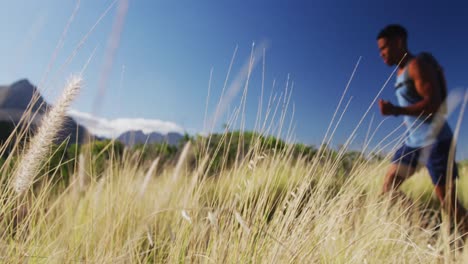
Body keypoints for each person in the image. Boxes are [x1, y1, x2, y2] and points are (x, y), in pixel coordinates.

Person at [376, 24, 465, 222]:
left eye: (384, 48)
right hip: (413, 143)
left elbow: (434, 104)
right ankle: (424, 225)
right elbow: (416, 106)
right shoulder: (399, 74)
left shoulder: (416, 66)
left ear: (399, 42)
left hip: (436, 142)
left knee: (449, 203)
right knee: (389, 185)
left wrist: (396, 111)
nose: (381, 54)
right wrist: (407, 119)